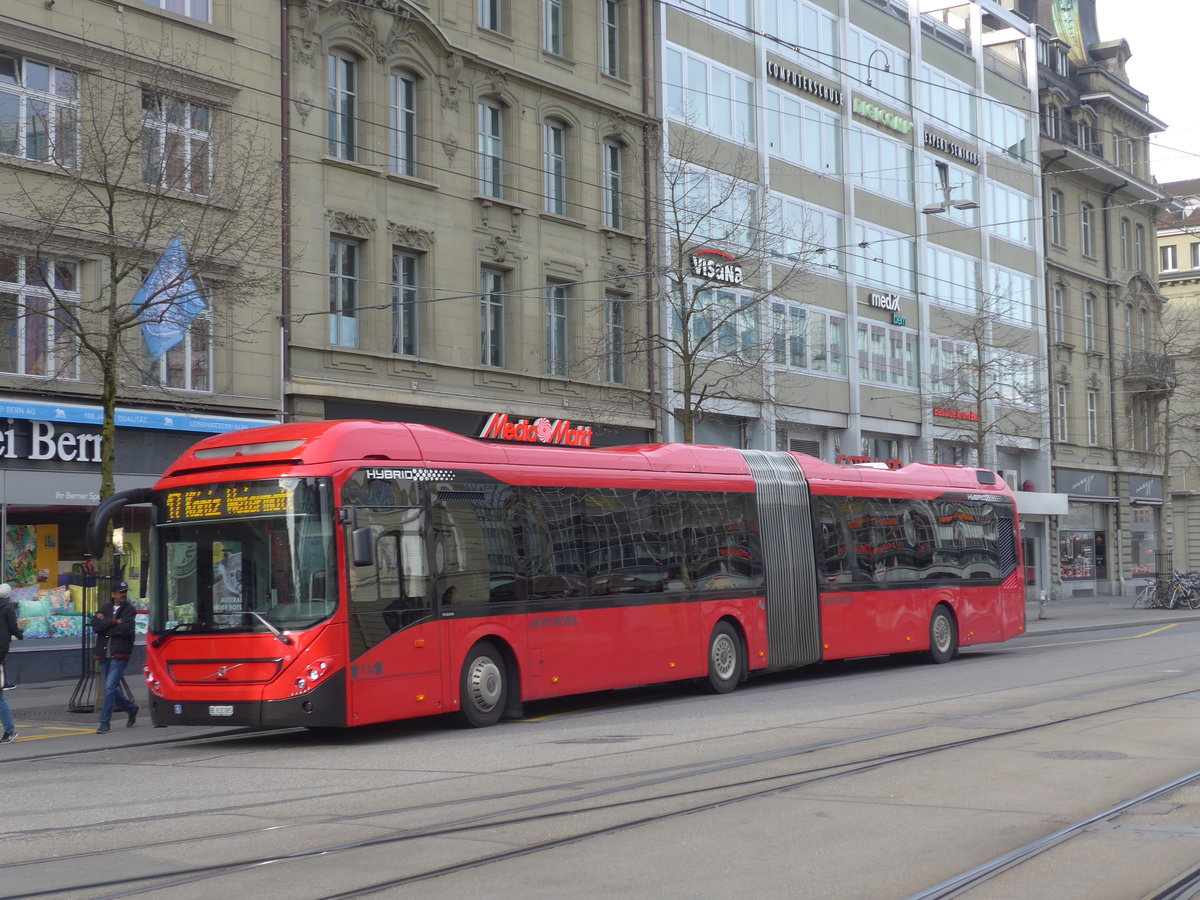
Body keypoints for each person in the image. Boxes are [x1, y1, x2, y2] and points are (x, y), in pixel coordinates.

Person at [92, 580, 139, 734]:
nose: (123, 594)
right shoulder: (105, 608)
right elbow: (95, 626)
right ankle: (131, 708)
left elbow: (125, 629)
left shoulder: (129, 610)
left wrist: (105, 625)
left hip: (120, 654)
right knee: (109, 689)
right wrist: (112, 622)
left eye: (125, 591)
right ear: (113, 594)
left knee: (109, 688)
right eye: (120, 592)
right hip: (105, 654)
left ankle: (104, 723)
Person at [0, 583, 21, 742]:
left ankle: (10, 730)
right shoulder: (8, 607)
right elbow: (13, 626)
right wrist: (20, 635)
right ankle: (10, 730)